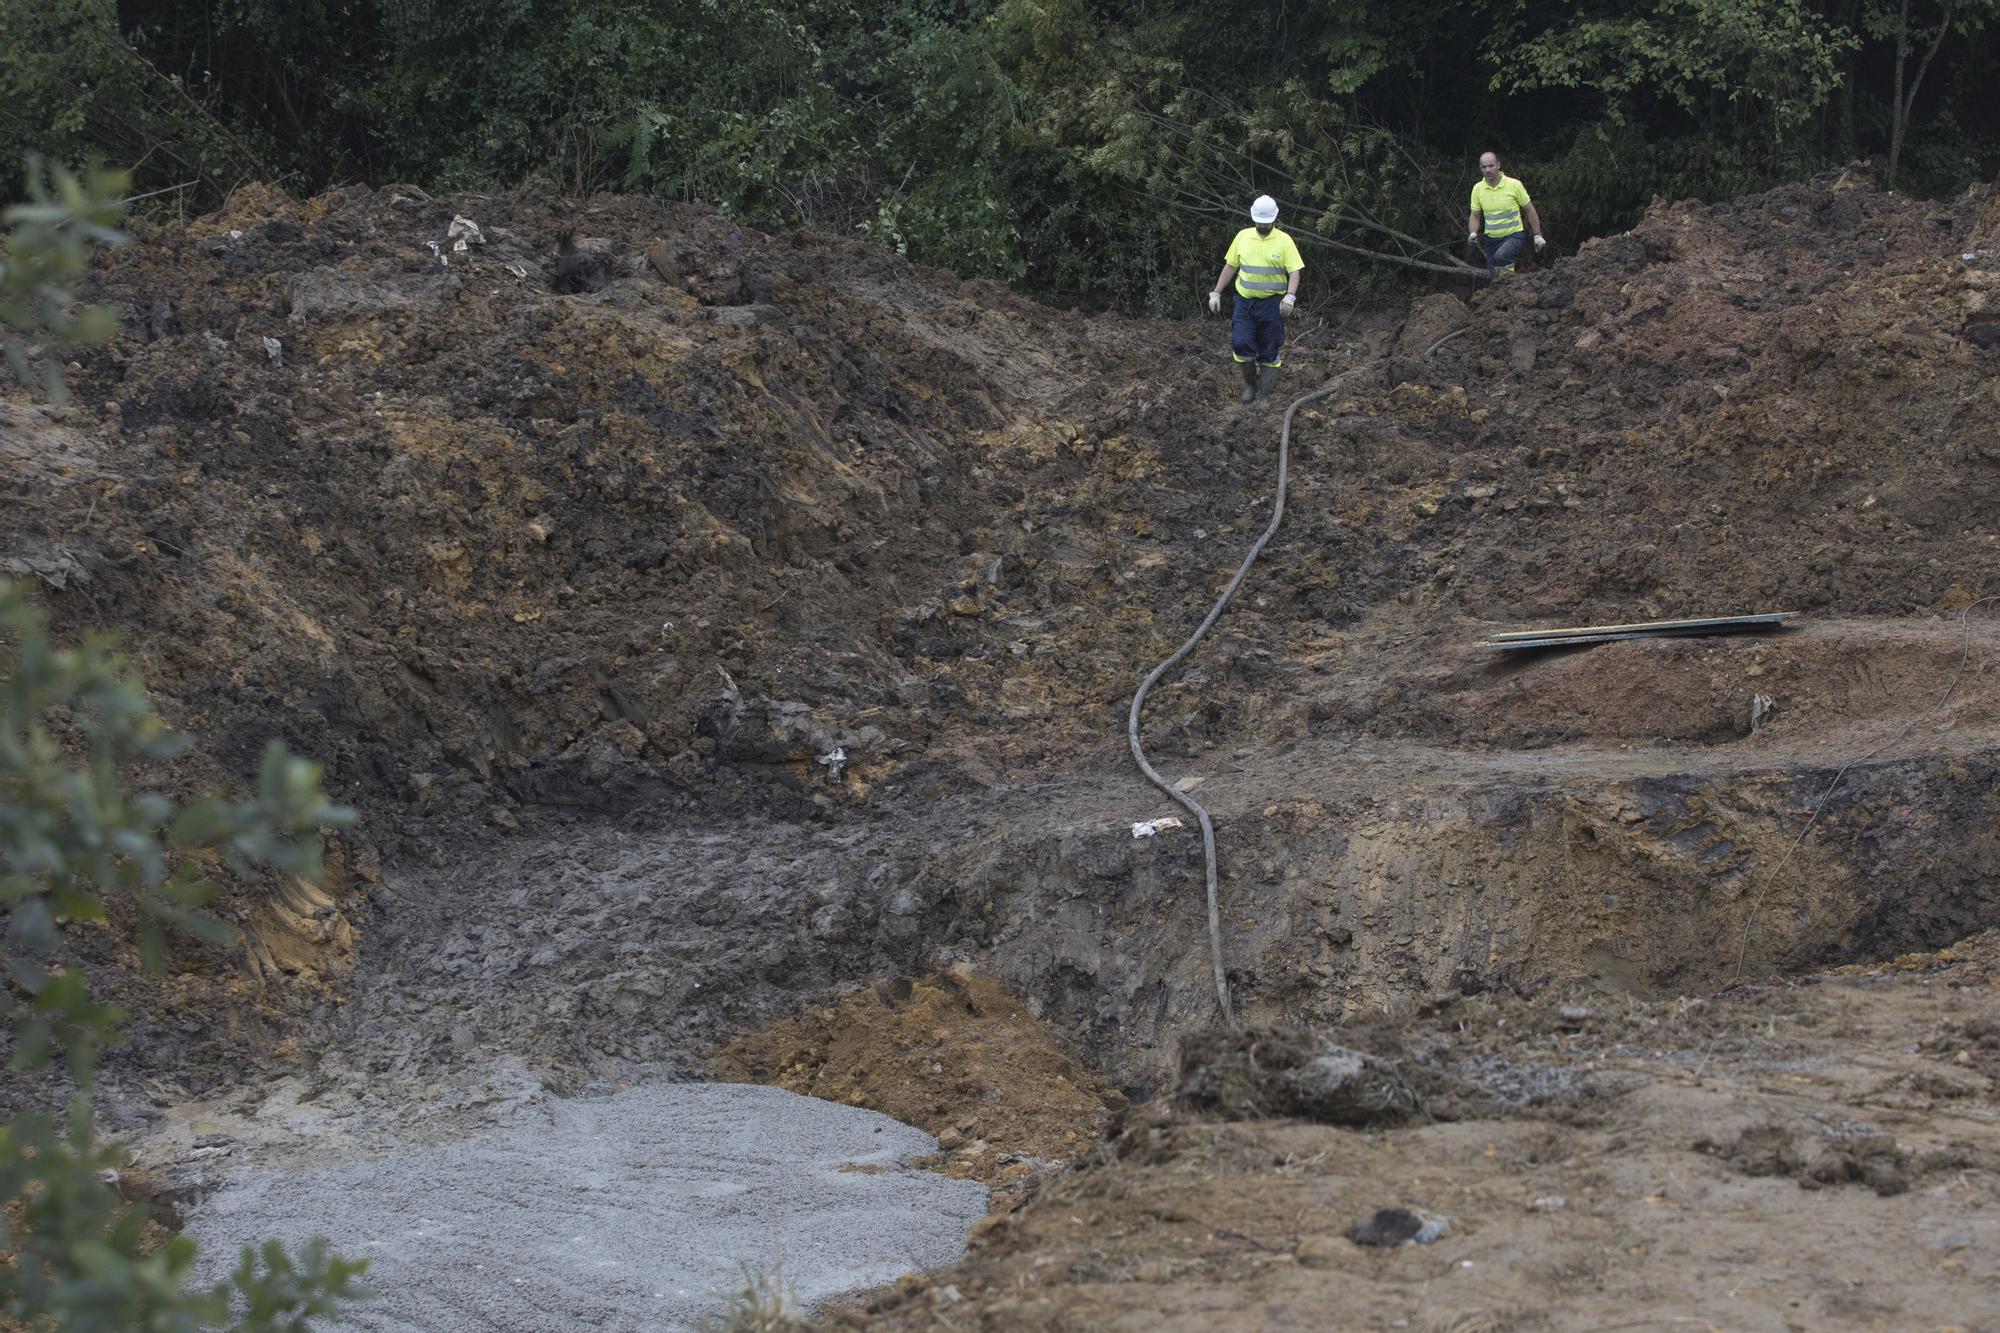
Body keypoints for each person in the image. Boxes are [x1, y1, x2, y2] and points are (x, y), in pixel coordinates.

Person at [1207, 195, 1303, 402]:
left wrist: (1290, 296)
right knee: (1241, 345)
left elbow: (1294, 271)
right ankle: (1250, 386)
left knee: (1269, 348)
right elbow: (1231, 266)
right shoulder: (1243, 237)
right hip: (1245, 302)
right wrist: (1217, 291)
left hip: (1272, 304)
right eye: (1259, 222)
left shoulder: (1284, 241)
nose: (1262, 226)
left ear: (1274, 220)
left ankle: (1265, 396)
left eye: (1266, 223)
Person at [1466, 152, 1545, 279]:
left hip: (1514, 236)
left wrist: (1537, 235)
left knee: (1501, 257)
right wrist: (1473, 233)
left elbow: (1530, 210)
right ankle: (1509, 290)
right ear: (1480, 169)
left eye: (1491, 166)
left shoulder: (1514, 185)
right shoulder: (1478, 189)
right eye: (1484, 167)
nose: (1488, 170)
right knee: (1495, 277)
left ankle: (1509, 285)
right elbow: (1475, 215)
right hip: (1491, 240)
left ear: (1498, 165)